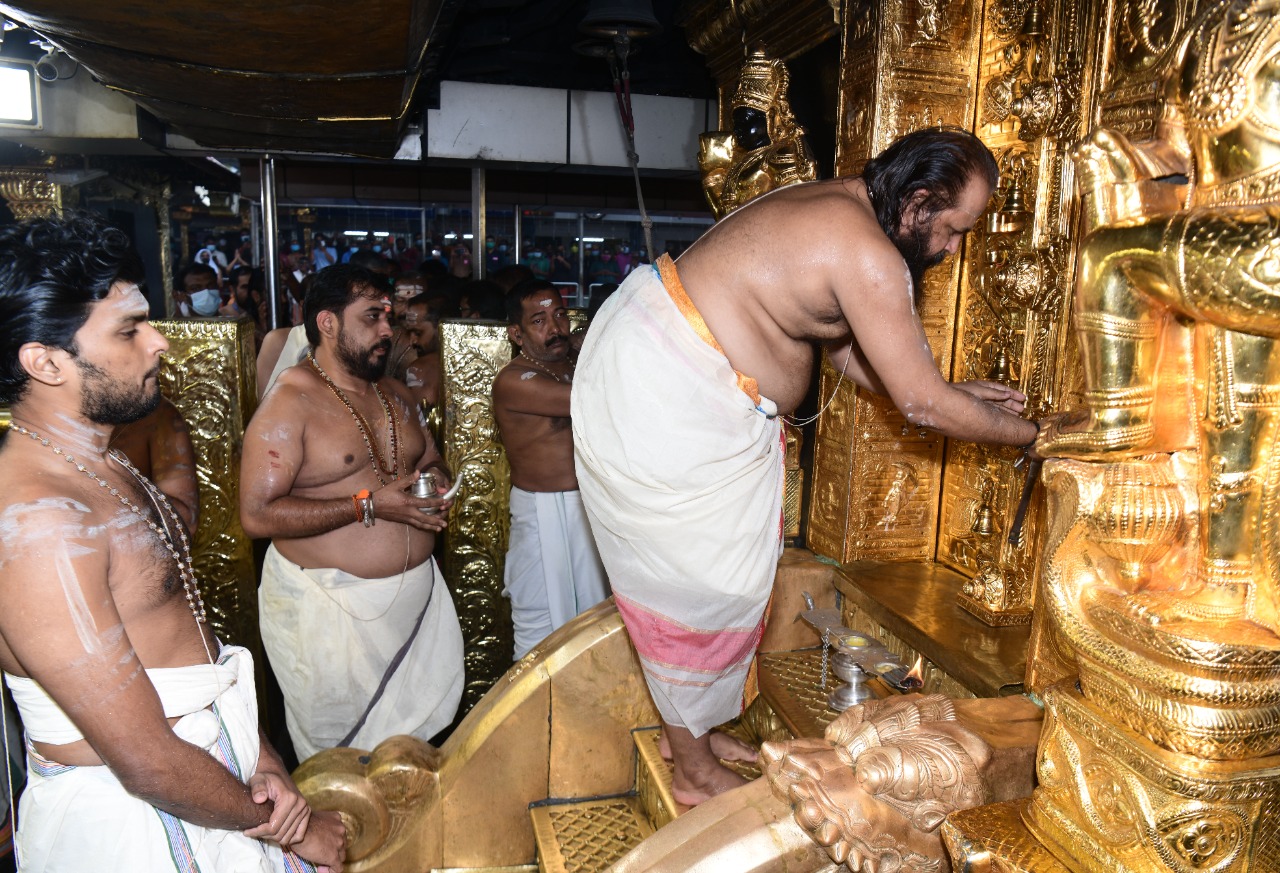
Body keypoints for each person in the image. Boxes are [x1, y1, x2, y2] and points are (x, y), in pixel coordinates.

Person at [572, 127, 1037, 807]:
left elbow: (848, 347)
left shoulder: (845, 207)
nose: (952, 248)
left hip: (657, 367)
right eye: (955, 228)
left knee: (695, 579)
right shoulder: (868, 252)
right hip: (667, 388)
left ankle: (687, 736)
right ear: (919, 203)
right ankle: (693, 770)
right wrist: (1030, 435)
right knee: (696, 584)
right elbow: (920, 404)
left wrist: (949, 392)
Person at [0, 212, 344, 871]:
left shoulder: (102, 461)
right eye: (129, 329)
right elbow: (147, 760)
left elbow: (185, 639)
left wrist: (262, 758)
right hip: (134, 820)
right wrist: (292, 830)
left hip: (214, 780)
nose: (159, 341)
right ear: (45, 362)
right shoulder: (41, 521)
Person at [240, 263, 464, 761]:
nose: (388, 330)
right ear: (328, 322)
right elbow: (257, 516)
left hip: (413, 610)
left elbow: (429, 458)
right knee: (343, 773)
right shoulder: (291, 403)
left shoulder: (396, 393)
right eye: (371, 317)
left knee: (414, 764)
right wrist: (369, 505)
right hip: (330, 616)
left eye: (388, 316)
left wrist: (435, 481)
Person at [492, 280, 609, 658]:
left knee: (599, 620)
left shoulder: (574, 364)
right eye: (539, 321)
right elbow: (591, 400)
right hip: (544, 511)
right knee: (539, 629)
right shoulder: (514, 381)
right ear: (517, 334)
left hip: (591, 507)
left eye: (559, 315)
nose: (555, 328)